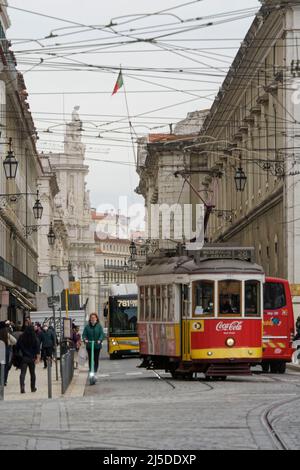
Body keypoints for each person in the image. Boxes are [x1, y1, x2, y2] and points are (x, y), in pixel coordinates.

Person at [16, 326, 40, 393]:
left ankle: (22, 387)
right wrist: (38, 358)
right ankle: (33, 388)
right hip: (32, 358)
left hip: (24, 358)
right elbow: (37, 348)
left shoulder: (21, 337)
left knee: (22, 373)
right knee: (32, 373)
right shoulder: (35, 338)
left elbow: (17, 347)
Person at [0, 321, 17, 386]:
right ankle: (4, 380)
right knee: (5, 366)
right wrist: (10, 344)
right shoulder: (6, 334)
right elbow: (15, 341)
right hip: (5, 350)